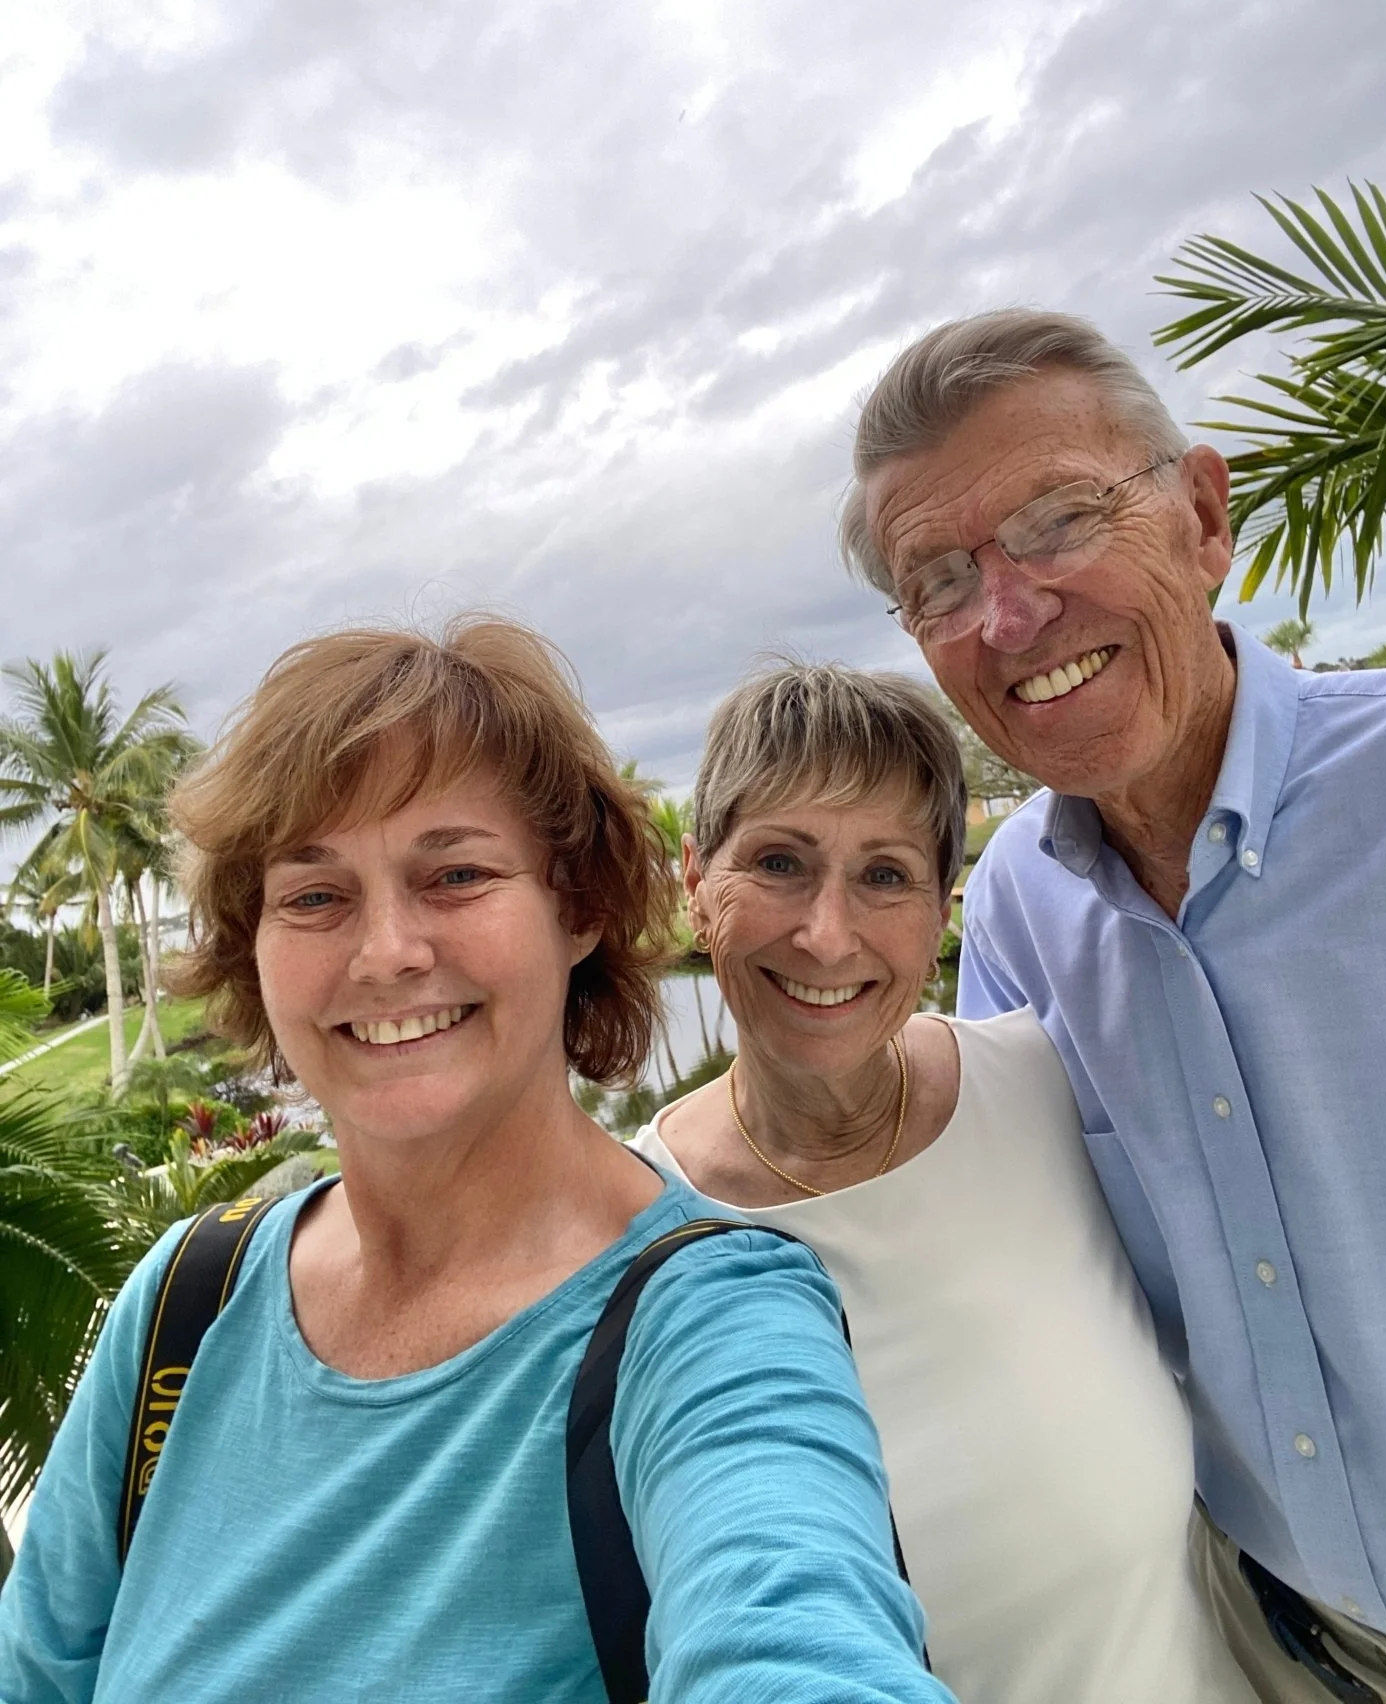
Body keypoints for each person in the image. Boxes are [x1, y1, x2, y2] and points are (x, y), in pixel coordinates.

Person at [0, 617, 952, 1704]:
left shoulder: (709, 1324)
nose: (386, 953)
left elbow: (791, 1632)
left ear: (578, 910)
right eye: (314, 896)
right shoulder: (185, 1304)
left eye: (454, 874)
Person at [840, 307, 1386, 1703]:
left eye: (1058, 521)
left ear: (1204, 518)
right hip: (1286, 1655)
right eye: (940, 581)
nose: (1009, 617)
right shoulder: (1016, 911)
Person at [631, 660, 1256, 1704]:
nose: (826, 933)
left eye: (885, 875)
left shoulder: (1049, 1087)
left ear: (940, 909)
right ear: (695, 879)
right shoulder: (631, 1237)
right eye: (779, 863)